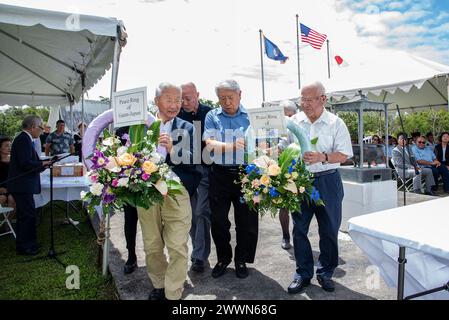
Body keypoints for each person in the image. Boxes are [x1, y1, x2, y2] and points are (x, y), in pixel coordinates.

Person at [285, 81, 353, 294]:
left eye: (310, 99)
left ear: (323, 99)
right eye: (302, 99)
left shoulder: (336, 123)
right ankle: (303, 273)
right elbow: (283, 147)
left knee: (329, 230)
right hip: (300, 181)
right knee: (299, 229)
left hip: (327, 180)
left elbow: (344, 155)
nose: (305, 104)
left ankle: (325, 272)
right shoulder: (293, 121)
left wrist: (322, 157)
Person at [137, 82, 201, 300]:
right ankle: (159, 284)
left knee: (177, 245)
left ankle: (173, 293)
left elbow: (195, 160)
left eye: (178, 100)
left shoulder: (188, 128)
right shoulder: (141, 126)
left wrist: (174, 149)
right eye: (169, 99)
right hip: (146, 191)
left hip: (176, 191)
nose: (175, 105)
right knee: (152, 244)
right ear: (157, 101)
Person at [204, 79, 258, 279]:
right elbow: (209, 143)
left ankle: (241, 259)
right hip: (219, 174)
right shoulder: (212, 115)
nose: (226, 102)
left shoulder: (251, 116)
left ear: (240, 95)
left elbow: (263, 141)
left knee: (246, 222)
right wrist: (233, 146)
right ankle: (223, 258)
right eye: (222, 98)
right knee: (218, 221)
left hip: (247, 174)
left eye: (230, 97)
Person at [178, 82, 213, 273]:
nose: (184, 102)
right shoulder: (178, 115)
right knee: (191, 214)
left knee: (201, 212)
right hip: (185, 170)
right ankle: (198, 253)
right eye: (181, 98)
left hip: (206, 169)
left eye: (188, 97)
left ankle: (199, 256)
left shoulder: (209, 113)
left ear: (198, 94)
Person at [8, 116, 50, 255]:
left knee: (26, 215)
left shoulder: (25, 139)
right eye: (40, 128)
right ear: (33, 127)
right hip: (22, 185)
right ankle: (26, 246)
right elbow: (25, 163)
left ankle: (26, 243)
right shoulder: (23, 139)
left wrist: (42, 164)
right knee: (27, 215)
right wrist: (42, 164)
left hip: (22, 185)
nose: (42, 131)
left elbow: (29, 162)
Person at [115, 126, 139, 275]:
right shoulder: (120, 130)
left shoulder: (150, 124)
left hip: (148, 181)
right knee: (129, 220)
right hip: (128, 183)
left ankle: (157, 258)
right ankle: (131, 256)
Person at [278, 100, 297, 250]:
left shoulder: (302, 124)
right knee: (283, 206)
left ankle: (298, 236)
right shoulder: (282, 128)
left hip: (302, 171)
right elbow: (281, 146)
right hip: (284, 170)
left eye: (288, 115)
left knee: (300, 208)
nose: (286, 119)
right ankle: (286, 236)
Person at [0, 137, 15, 209]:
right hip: (1, 188)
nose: (9, 148)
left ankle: (8, 220)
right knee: (2, 198)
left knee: (12, 199)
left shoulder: (14, 160)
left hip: (12, 188)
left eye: (10, 145)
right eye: (6, 145)